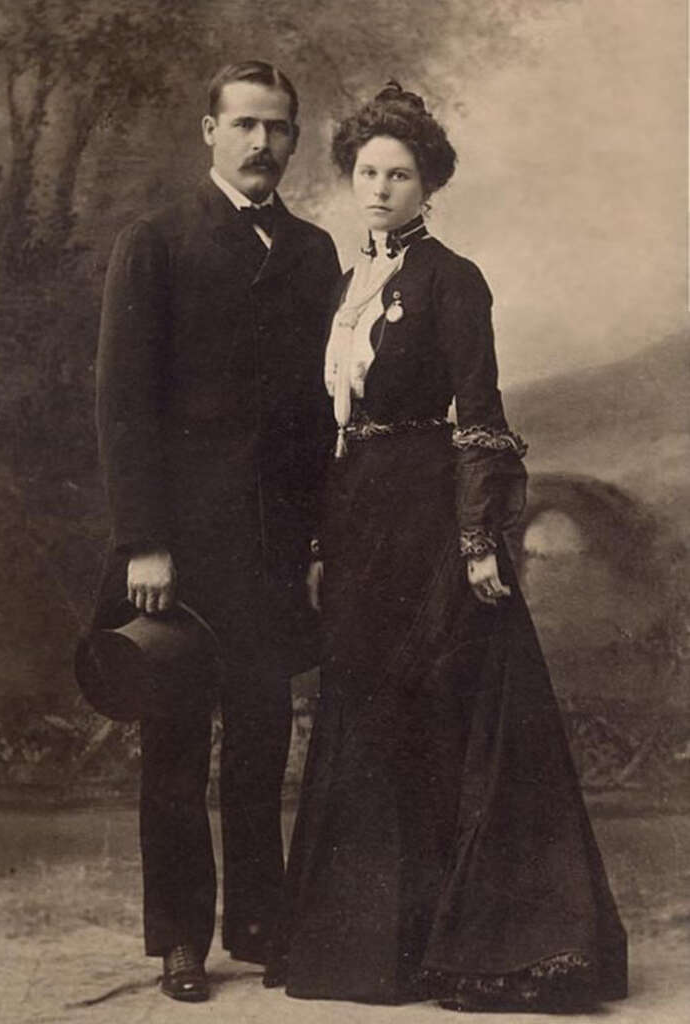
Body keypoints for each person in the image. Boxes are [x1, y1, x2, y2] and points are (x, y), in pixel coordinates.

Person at [265, 83, 628, 1013]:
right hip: (357, 519)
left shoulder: (452, 279)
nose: (380, 188)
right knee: (363, 704)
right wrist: (315, 535)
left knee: (436, 709)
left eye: (400, 174)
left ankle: (456, 941)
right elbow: (329, 425)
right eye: (367, 173)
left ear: (430, 186)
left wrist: (479, 539)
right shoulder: (347, 285)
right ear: (348, 179)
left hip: (429, 515)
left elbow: (482, 415)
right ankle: (360, 949)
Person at [92, 60, 340, 1002]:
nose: (260, 144)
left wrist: (318, 543)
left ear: (294, 139)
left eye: (277, 128)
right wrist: (143, 540)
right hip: (182, 550)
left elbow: (319, 417)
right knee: (176, 745)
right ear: (208, 130)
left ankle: (261, 921)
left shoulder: (312, 252)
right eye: (243, 124)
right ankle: (180, 940)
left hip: (275, 550)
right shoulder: (153, 243)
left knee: (263, 737)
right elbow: (123, 405)